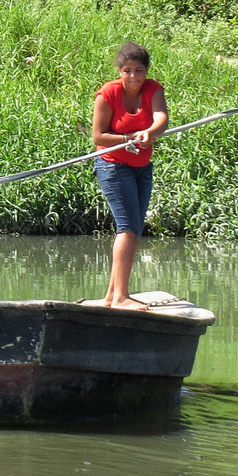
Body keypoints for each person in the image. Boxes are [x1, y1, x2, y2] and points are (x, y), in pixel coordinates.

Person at [91, 42, 168, 310]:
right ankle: (121, 297)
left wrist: (151, 132)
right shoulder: (108, 93)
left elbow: (161, 118)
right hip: (112, 165)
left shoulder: (153, 89)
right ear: (119, 71)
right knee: (127, 228)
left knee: (135, 228)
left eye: (138, 70)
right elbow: (98, 136)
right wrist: (128, 138)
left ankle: (112, 296)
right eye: (127, 71)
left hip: (142, 167)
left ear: (146, 71)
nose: (133, 77)